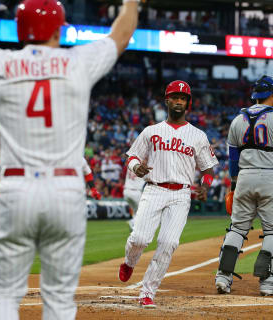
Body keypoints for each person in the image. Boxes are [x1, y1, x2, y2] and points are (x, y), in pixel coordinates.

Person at [0, 0, 139, 318]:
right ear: (58, 29)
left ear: (19, 31)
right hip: (66, 189)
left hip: (15, 188)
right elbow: (121, 35)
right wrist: (132, 2)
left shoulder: (1, 63)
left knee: (4, 297)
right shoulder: (78, 61)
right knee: (59, 301)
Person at [118, 80, 218, 308]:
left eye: (183, 98)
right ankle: (129, 261)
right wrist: (136, 168)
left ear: (188, 103)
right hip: (154, 189)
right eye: (175, 97)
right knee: (139, 239)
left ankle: (147, 292)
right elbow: (132, 156)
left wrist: (205, 185)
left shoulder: (198, 135)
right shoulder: (151, 131)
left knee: (169, 242)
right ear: (167, 101)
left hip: (181, 195)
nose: (179, 101)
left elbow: (208, 168)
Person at [214, 75, 273, 297]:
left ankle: (223, 279)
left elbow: (233, 160)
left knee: (236, 228)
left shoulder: (237, 120)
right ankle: (267, 283)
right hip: (271, 177)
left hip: (244, 177)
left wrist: (234, 186)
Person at [123, 163, 145, 230]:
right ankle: (132, 222)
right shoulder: (143, 167)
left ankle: (134, 227)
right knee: (142, 211)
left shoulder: (131, 164)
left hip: (126, 191)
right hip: (135, 192)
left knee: (135, 211)